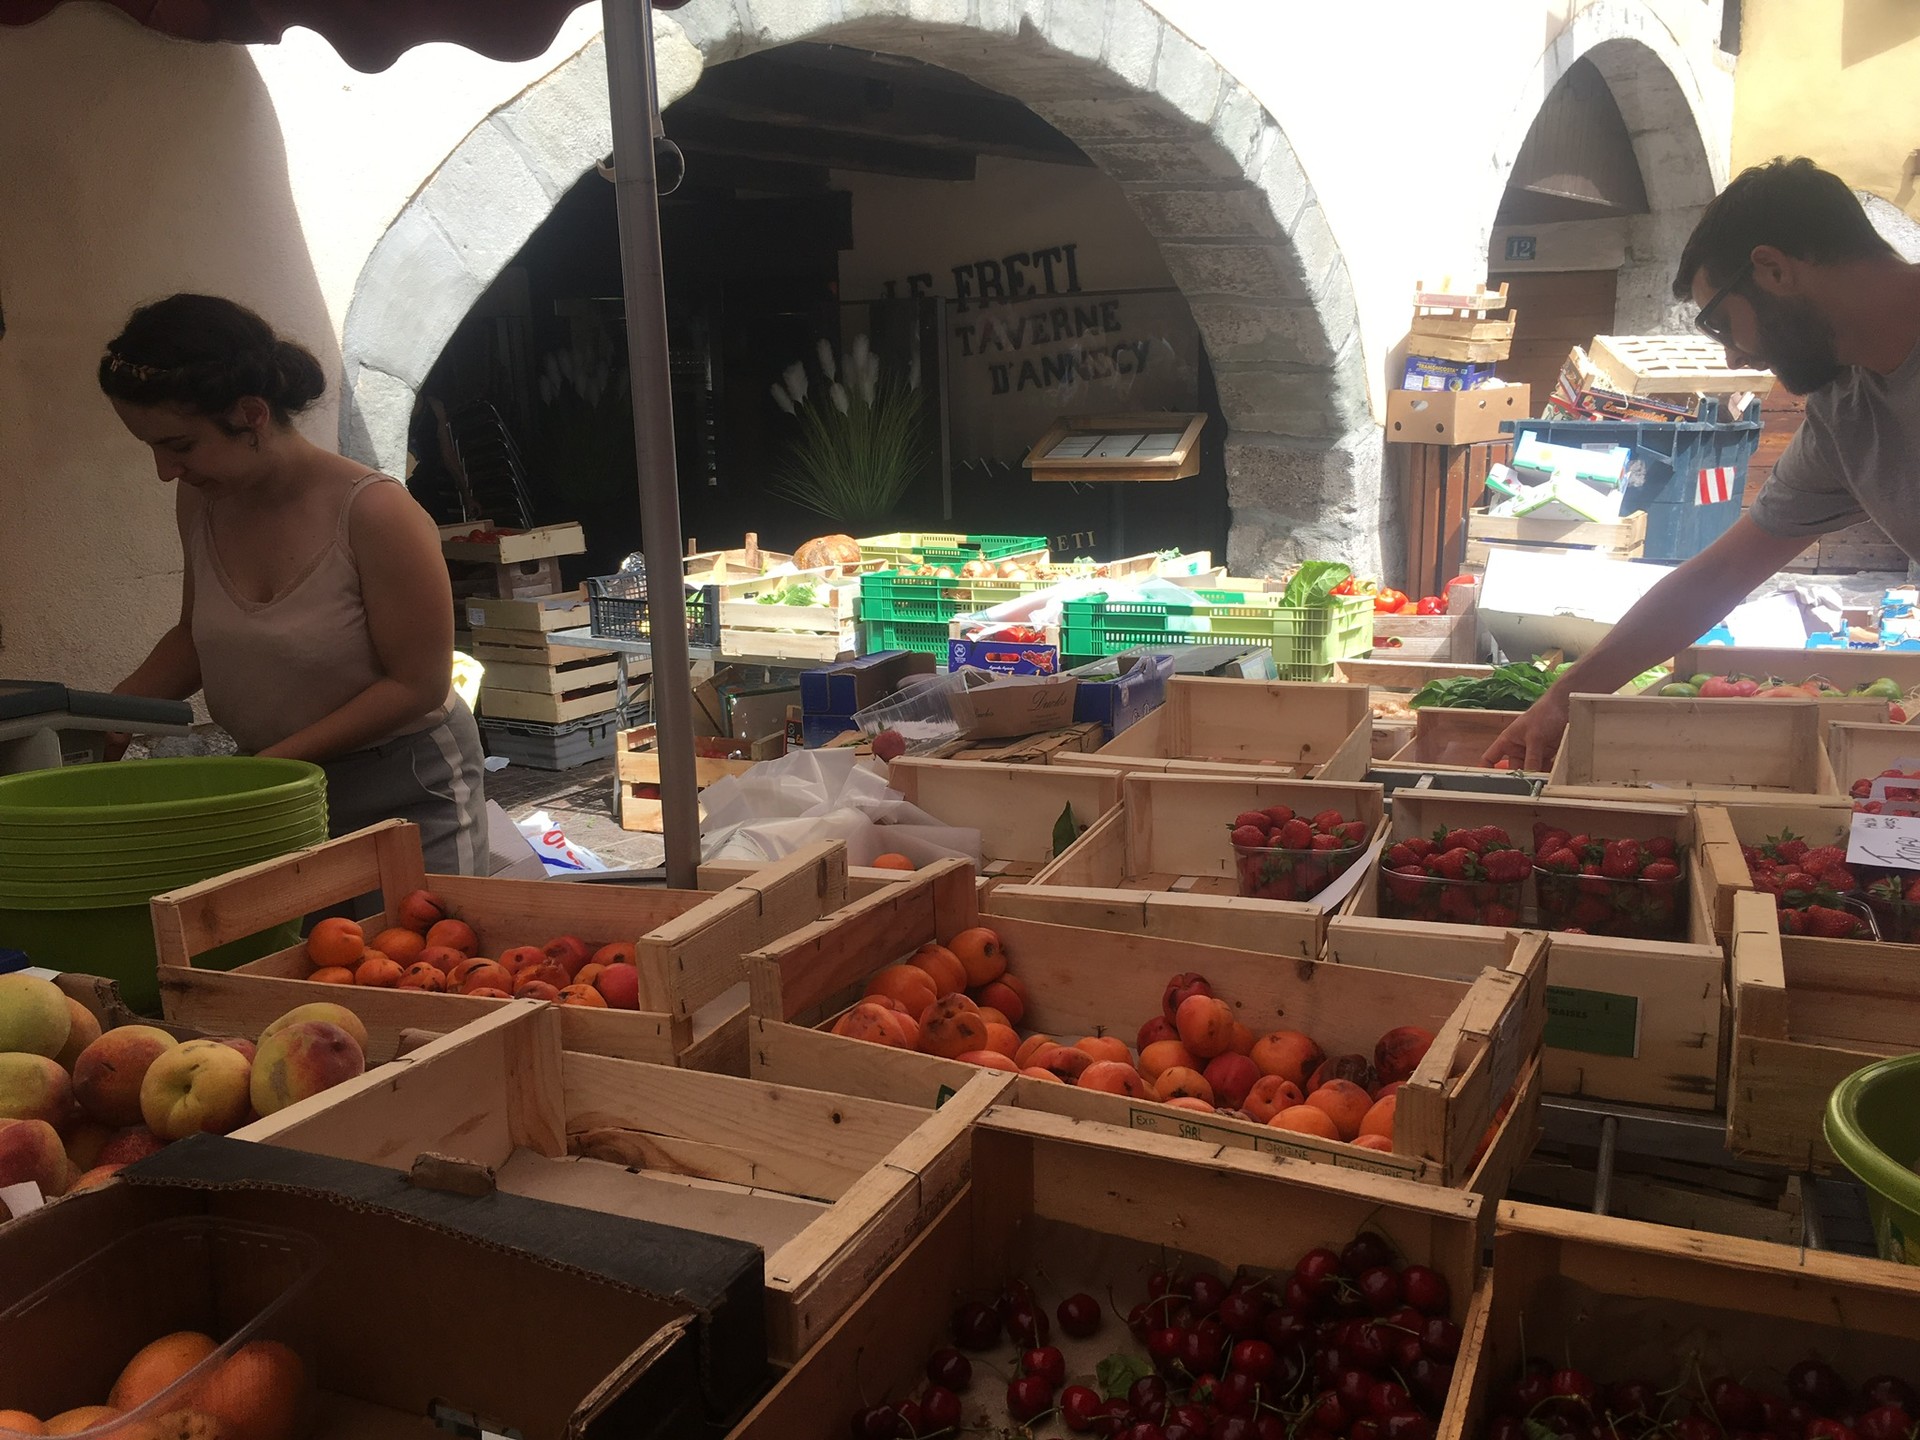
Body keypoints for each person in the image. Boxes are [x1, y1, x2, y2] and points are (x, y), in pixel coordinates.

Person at [1486, 157, 1920, 770]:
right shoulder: (1844, 412)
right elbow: (1717, 576)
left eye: (1720, 322)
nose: (1738, 355)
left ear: (1773, 269)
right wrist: (1565, 696)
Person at [99, 294, 487, 874]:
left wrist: (263, 770)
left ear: (252, 414)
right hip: (280, 790)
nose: (164, 470)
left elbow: (417, 684)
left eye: (179, 445)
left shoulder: (377, 513)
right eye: (150, 447)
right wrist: (107, 716)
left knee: (414, 960)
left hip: (403, 791)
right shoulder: (202, 499)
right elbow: (194, 636)